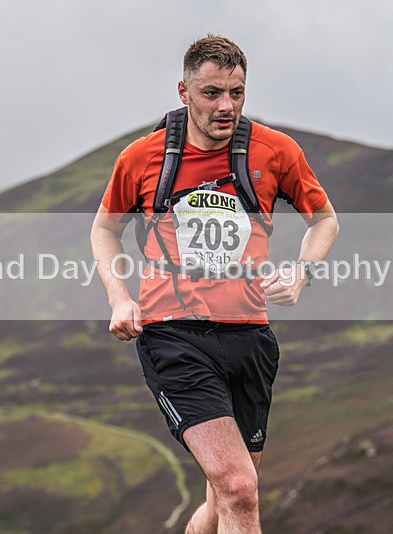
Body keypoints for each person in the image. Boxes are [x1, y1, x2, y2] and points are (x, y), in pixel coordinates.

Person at [91, 35, 339, 532]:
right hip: (174, 336)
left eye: (237, 93)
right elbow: (104, 228)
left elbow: (325, 220)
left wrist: (301, 271)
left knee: (225, 498)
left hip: (249, 338)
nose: (225, 106)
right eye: (211, 93)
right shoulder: (143, 157)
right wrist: (119, 300)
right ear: (183, 91)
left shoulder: (276, 151)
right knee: (241, 491)